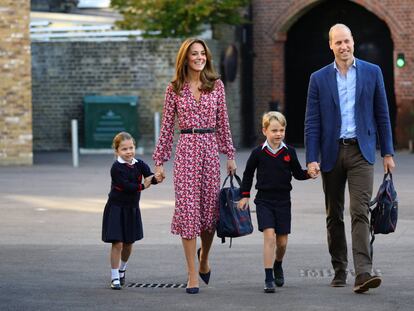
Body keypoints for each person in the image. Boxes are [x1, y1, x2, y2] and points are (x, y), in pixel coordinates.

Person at [304, 23, 396, 293]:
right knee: (334, 215)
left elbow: (383, 114)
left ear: (353, 42)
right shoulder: (318, 78)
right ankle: (340, 268)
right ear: (330, 46)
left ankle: (363, 273)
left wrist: (388, 152)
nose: (343, 47)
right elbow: (312, 122)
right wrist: (311, 158)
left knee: (360, 211)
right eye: (338, 43)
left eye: (347, 41)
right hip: (331, 152)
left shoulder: (372, 72)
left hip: (361, 151)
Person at [153, 38, 236, 294]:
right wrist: (159, 161)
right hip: (186, 149)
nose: (199, 57)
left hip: (210, 149)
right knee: (189, 213)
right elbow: (167, 127)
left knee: (210, 215)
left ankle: (204, 259)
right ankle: (191, 274)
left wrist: (229, 154)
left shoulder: (216, 85)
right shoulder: (174, 88)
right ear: (185, 59)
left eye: (202, 53)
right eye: (194, 54)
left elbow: (223, 122)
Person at [238, 111, 313, 293]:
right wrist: (245, 194)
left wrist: (308, 174)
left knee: (282, 243)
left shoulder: (289, 152)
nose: (278, 134)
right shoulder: (258, 153)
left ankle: (278, 263)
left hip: (283, 201)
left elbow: (297, 173)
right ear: (265, 131)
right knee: (269, 237)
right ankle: (268, 276)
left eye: (281, 130)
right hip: (264, 201)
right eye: (274, 130)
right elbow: (248, 174)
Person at [102, 132, 158, 290]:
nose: (128, 151)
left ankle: (122, 269)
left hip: (132, 208)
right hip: (116, 207)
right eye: (124, 149)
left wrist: (156, 178)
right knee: (117, 242)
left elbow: (149, 176)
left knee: (128, 243)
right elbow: (126, 186)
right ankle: (114, 277)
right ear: (117, 151)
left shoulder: (139, 163)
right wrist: (143, 186)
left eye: (131, 148)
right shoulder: (116, 168)